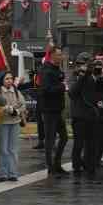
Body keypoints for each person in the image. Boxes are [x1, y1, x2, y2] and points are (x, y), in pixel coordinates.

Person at [70, 54, 103, 181]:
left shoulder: (91, 77)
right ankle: (76, 166)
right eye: (83, 64)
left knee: (92, 143)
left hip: (91, 114)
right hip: (79, 116)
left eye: (87, 64)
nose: (85, 67)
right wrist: (83, 76)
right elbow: (73, 92)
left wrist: (99, 74)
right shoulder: (75, 76)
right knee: (78, 143)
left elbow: (98, 91)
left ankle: (90, 166)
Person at [37, 48, 68, 177]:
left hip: (57, 109)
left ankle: (57, 164)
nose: (62, 57)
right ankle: (51, 168)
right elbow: (46, 89)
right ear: (52, 56)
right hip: (49, 110)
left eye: (61, 54)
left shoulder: (57, 70)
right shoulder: (46, 71)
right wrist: (62, 86)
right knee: (50, 140)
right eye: (59, 55)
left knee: (64, 137)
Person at [0, 72, 27, 181]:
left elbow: (23, 104)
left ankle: (13, 173)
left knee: (13, 149)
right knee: (3, 149)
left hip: (15, 122)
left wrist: (16, 111)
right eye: (7, 79)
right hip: (3, 123)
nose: (9, 80)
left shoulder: (16, 91)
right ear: (2, 81)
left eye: (11, 78)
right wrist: (7, 109)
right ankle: (3, 173)